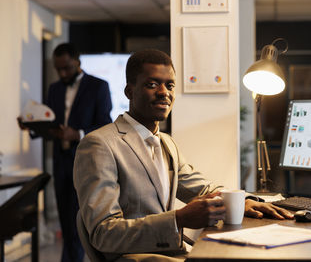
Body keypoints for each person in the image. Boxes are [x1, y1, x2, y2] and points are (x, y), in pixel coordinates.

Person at [73, 49, 293, 262]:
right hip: (137, 257)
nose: (164, 92)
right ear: (130, 92)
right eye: (152, 84)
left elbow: (204, 189)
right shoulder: (99, 144)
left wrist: (243, 201)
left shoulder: (167, 143)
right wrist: (178, 219)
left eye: (170, 85)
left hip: (172, 251)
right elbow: (104, 234)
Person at [18, 43, 112, 262]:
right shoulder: (55, 88)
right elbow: (51, 127)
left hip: (87, 163)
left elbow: (105, 125)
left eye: (67, 68)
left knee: (79, 222)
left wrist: (77, 133)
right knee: (66, 223)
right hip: (61, 163)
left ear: (78, 62)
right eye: (58, 68)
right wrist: (31, 126)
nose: (62, 73)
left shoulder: (99, 86)